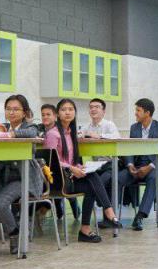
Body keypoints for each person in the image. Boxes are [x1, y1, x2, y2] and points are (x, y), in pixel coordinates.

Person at [0, 95, 43, 250]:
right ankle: (14, 227)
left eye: (16, 109)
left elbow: (32, 133)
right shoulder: (2, 127)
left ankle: (13, 233)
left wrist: (10, 134)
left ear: (24, 112)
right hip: (2, 176)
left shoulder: (30, 127)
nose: (11, 112)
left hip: (24, 178)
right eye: (8, 109)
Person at [45, 99, 120, 242]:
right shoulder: (53, 134)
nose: (67, 112)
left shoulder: (71, 133)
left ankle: (86, 229)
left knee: (92, 180)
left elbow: (71, 161)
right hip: (58, 181)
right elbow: (50, 163)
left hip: (69, 177)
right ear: (57, 114)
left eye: (70, 109)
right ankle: (109, 212)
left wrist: (80, 167)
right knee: (93, 181)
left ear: (75, 113)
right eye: (63, 110)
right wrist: (71, 168)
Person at [118, 98, 158, 231]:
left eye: (138, 110)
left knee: (153, 177)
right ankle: (112, 216)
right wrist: (130, 164)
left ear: (147, 113)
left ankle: (140, 216)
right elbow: (130, 149)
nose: (135, 113)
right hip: (137, 167)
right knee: (118, 178)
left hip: (157, 166)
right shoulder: (134, 128)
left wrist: (150, 167)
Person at [80, 97, 120, 229]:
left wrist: (99, 136)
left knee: (100, 183)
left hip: (111, 164)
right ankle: (109, 216)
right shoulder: (87, 126)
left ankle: (107, 215)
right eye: (91, 107)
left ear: (104, 111)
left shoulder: (109, 124)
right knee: (92, 183)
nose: (93, 109)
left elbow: (117, 137)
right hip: (96, 165)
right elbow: (79, 135)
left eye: (97, 107)